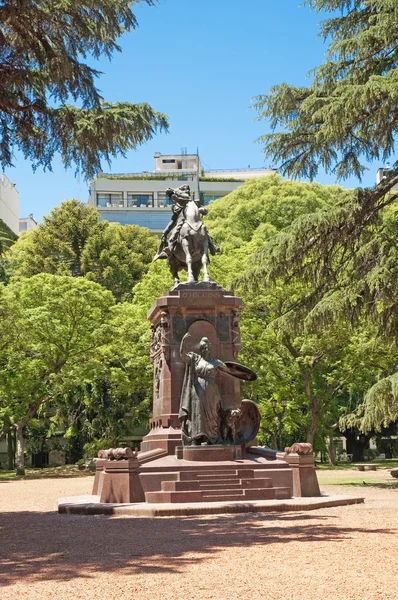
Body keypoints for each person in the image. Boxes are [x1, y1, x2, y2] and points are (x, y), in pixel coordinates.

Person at [179, 333, 232, 445]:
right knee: (197, 413)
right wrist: (183, 342)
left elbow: (229, 370)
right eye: (203, 348)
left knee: (212, 413)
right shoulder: (195, 359)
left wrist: (243, 374)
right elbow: (183, 356)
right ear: (200, 349)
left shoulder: (215, 362)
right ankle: (197, 437)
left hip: (212, 390)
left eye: (207, 348)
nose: (205, 350)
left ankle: (211, 438)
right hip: (198, 390)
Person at [153, 185, 220, 261]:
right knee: (173, 236)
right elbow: (173, 221)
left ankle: (212, 246)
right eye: (185, 191)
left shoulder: (193, 203)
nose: (187, 193)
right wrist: (165, 232)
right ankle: (169, 251)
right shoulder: (176, 207)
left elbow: (203, 211)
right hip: (181, 224)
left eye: (188, 192)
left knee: (205, 231)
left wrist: (202, 210)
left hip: (195, 222)